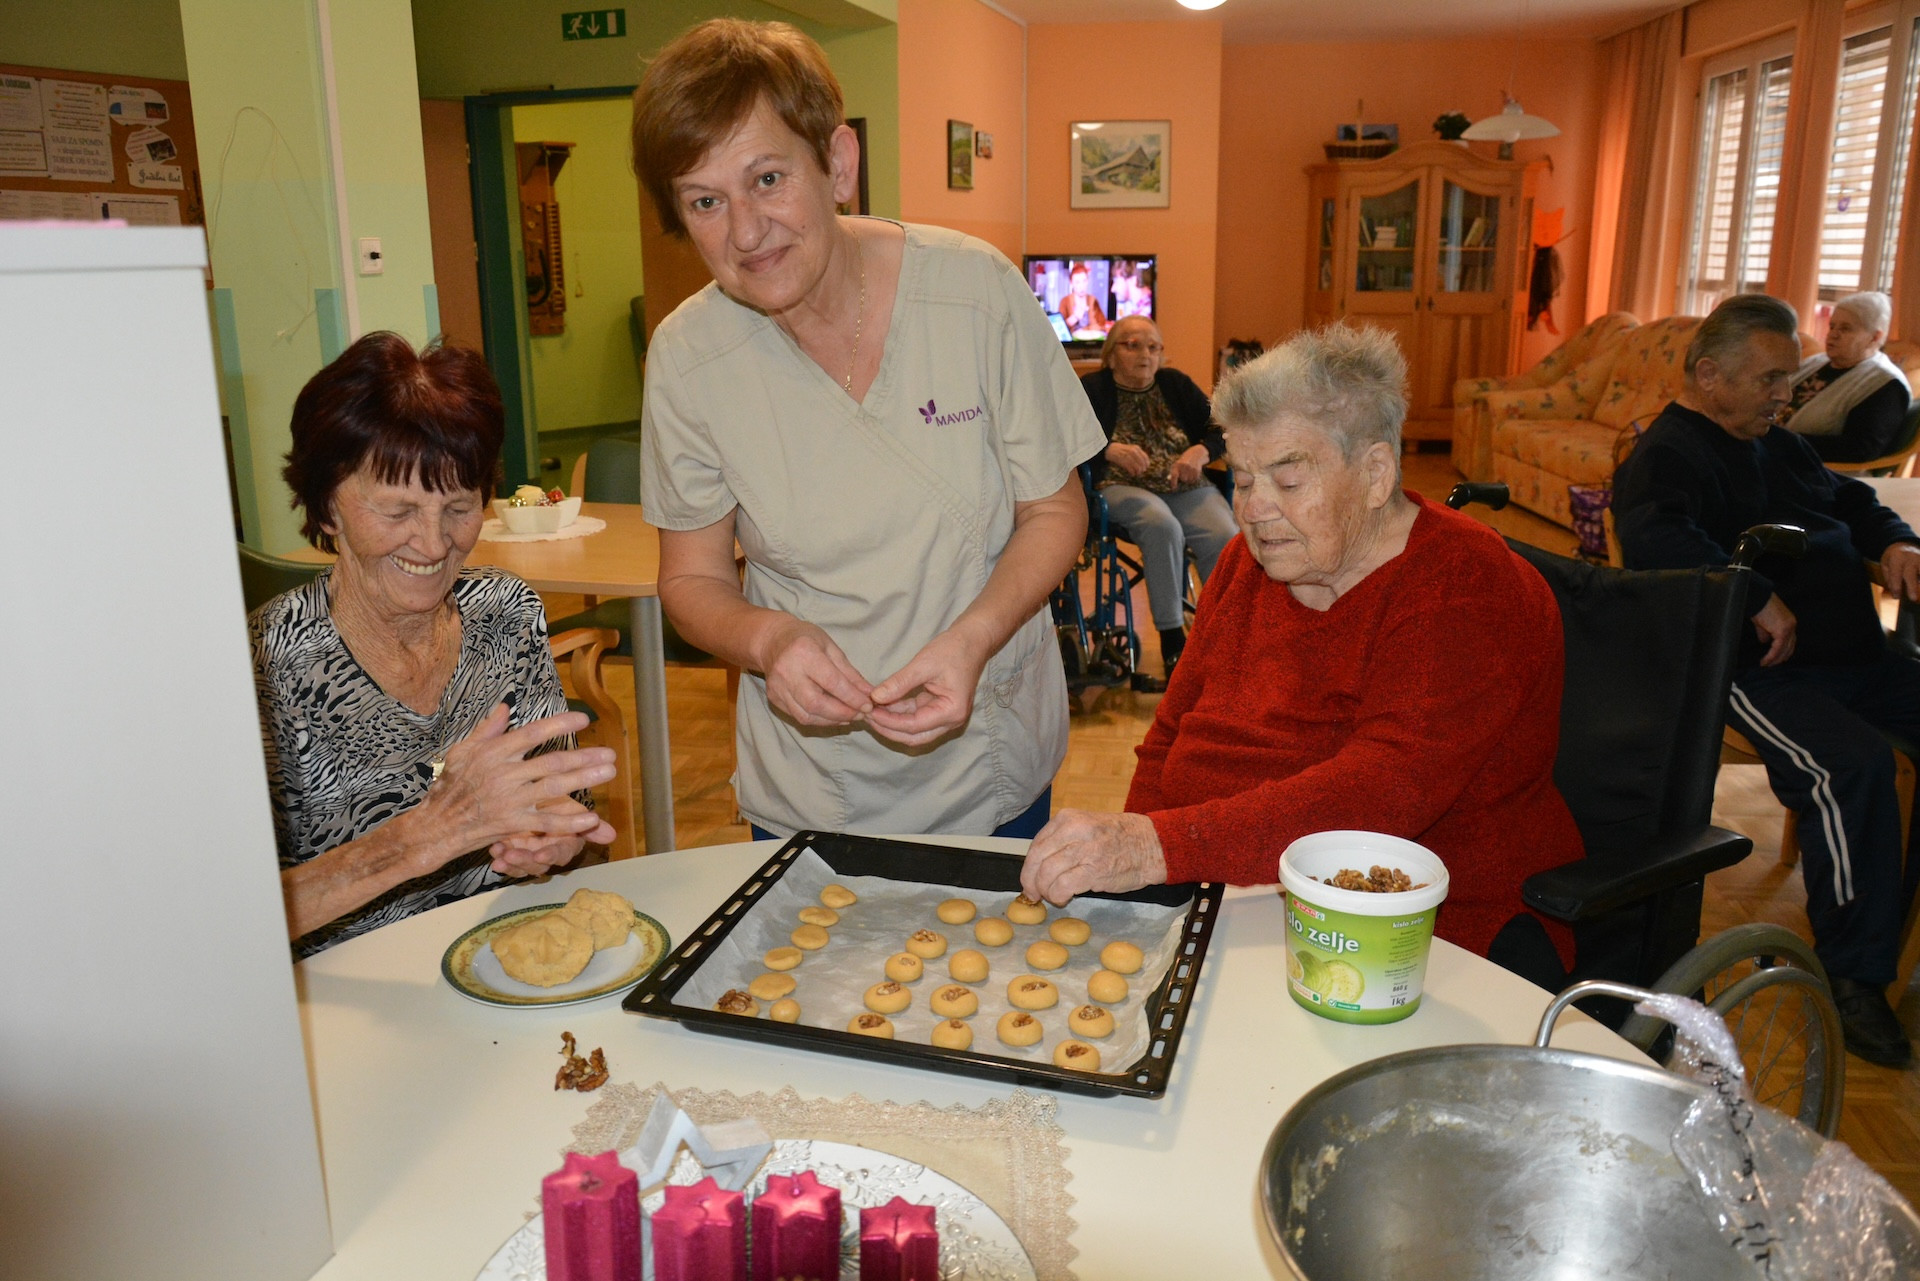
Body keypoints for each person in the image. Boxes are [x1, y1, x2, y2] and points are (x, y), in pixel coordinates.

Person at [631, 20, 1103, 840]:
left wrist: (972, 639)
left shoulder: (973, 293)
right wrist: (771, 639)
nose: (745, 232)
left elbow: (1056, 512)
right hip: (812, 790)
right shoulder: (687, 358)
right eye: (706, 201)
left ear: (838, 164)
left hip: (990, 755)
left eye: (768, 178)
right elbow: (691, 579)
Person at [1022, 324, 1585, 983]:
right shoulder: (1246, 562)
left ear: (1375, 474)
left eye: (1288, 482)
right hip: (1228, 896)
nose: (1255, 510)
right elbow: (1171, 732)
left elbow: (1382, 791)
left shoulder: (1463, 585)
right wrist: (1138, 883)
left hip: (1415, 934)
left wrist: (1157, 849)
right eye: (1244, 479)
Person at [1613, 292, 1920, 1067]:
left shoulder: (1775, 443)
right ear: (1710, 374)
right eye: (1771, 380)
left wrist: (1895, 541)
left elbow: (1848, 497)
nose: (1786, 396)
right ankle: (1856, 976)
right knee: (1848, 767)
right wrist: (1752, 592)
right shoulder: (1669, 454)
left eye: (1789, 380)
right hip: (1759, 670)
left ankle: (1891, 922)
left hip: (1853, 655)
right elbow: (1657, 543)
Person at [252, 333, 618, 958]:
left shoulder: (505, 614)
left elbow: (574, 827)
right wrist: (431, 833)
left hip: (495, 966)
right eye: (396, 511)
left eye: (458, 507)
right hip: (344, 1010)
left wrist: (557, 844)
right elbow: (225, 925)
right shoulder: (263, 668)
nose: (432, 543)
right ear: (327, 507)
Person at [1079, 315, 1237, 689]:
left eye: (1153, 347)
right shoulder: (1094, 389)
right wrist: (1108, 450)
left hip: (1183, 482)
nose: (1144, 355)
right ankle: (1172, 642)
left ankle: (1222, 638)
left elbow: (1220, 429)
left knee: (1225, 534)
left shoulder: (1175, 383)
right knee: (1160, 524)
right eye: (1132, 345)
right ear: (1111, 355)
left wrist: (1200, 451)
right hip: (1121, 485)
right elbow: (1065, 440)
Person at [1779, 291, 1911, 464]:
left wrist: (1779, 442)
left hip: (1815, 473)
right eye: (1832, 326)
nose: (1832, 334)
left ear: (1875, 337)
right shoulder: (1816, 362)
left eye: (1845, 329)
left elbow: (1859, 449)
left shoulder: (1886, 384)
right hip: (1768, 454)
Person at [1059, 263, 1109, 338]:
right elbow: (1059, 329)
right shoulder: (1065, 301)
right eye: (1077, 282)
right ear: (1071, 283)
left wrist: (1085, 330)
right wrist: (1075, 317)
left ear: (1087, 281)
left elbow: (1102, 324)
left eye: (1084, 281)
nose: (1081, 286)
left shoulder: (1093, 299)